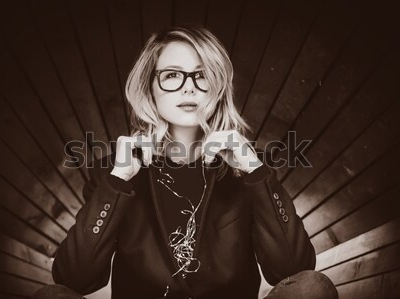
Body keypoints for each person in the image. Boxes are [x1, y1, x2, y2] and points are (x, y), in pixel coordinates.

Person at [33, 25, 338, 299]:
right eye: (172, 75)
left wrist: (255, 172)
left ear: (217, 89)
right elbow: (72, 279)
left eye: (202, 74)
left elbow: (295, 271)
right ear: (149, 90)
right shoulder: (113, 169)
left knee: (314, 288)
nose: (189, 86)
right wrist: (118, 180)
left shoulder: (245, 169)